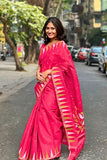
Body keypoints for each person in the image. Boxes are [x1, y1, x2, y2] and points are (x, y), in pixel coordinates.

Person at [18, 17, 85, 160]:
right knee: (43, 116)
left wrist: (50, 71)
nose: (49, 31)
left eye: (52, 28)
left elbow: (67, 67)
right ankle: (45, 148)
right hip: (43, 86)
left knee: (51, 115)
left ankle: (52, 149)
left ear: (58, 30)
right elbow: (41, 64)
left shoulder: (61, 45)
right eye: (47, 28)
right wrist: (38, 72)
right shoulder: (43, 47)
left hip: (56, 87)